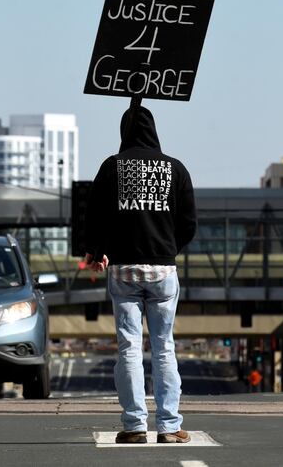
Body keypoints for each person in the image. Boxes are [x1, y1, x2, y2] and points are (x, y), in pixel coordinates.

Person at [84, 106, 197, 445]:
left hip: (123, 268)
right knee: (164, 348)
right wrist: (167, 249)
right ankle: (168, 426)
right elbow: (189, 223)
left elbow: (95, 216)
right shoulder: (175, 169)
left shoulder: (111, 167)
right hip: (163, 269)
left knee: (129, 347)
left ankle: (134, 425)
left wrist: (97, 250)